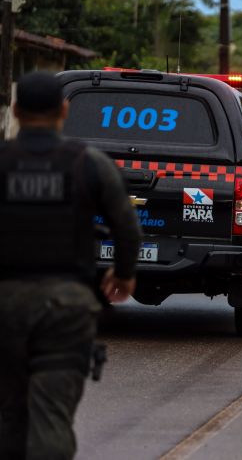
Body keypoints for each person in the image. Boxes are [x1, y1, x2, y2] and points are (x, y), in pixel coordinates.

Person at [0, 71, 142, 460]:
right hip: (65, 305)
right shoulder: (89, 164)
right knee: (51, 417)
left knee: (7, 415)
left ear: (15, 110)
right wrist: (124, 273)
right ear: (64, 110)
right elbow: (127, 230)